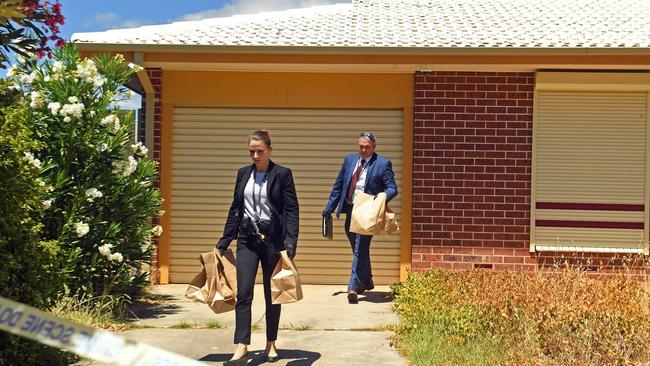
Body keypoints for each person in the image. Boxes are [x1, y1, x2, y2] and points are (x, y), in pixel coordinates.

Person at [216, 130, 299, 365]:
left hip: (273, 241)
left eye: (259, 151)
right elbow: (236, 209)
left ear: (269, 150)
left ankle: (271, 343)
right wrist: (225, 239)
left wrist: (291, 241)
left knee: (272, 295)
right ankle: (242, 345)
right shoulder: (243, 174)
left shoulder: (282, 174)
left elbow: (292, 209)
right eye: (251, 151)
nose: (254, 155)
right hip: (247, 240)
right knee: (243, 292)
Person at [323, 132, 397, 304]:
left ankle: (353, 287)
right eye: (361, 146)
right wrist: (329, 208)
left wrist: (379, 200)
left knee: (359, 247)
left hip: (367, 212)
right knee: (359, 249)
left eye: (367, 147)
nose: (363, 150)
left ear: (374, 147)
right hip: (350, 210)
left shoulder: (383, 164)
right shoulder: (349, 160)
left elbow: (392, 188)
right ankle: (368, 279)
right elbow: (339, 185)